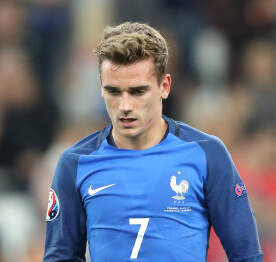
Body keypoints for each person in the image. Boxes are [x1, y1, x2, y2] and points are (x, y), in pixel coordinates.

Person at [43, 22, 263, 261]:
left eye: (137, 92)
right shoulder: (75, 164)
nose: (125, 106)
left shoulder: (207, 154)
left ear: (164, 86)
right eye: (114, 92)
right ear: (101, 88)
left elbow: (246, 255)